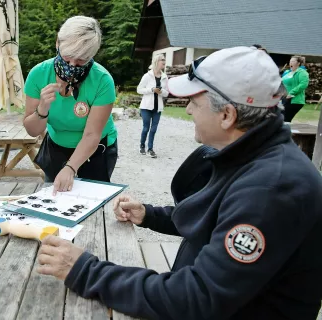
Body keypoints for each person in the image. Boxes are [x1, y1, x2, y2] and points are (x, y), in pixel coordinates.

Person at [35, 47, 322, 319]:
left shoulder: (272, 189)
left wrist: (84, 270)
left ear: (227, 115)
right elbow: (217, 216)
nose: (187, 111)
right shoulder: (252, 156)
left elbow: (196, 298)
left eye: (193, 102)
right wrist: (150, 214)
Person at [23, 16, 118, 194]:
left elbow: (92, 134)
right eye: (67, 58)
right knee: (56, 199)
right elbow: (32, 130)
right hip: (56, 147)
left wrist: (70, 168)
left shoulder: (102, 80)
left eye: (81, 60)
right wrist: (42, 109)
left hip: (95, 150)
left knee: (90, 202)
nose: (73, 65)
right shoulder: (38, 75)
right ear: (57, 43)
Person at [137, 54, 168, 158]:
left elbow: (167, 93)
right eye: (162, 60)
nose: (164, 61)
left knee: (153, 129)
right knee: (146, 128)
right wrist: (151, 90)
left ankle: (150, 149)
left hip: (157, 108)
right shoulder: (147, 76)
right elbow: (139, 89)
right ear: (156, 62)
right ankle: (142, 145)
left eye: (164, 60)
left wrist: (160, 91)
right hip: (146, 107)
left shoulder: (164, 77)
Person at [281, 55, 309, 122]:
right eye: (290, 61)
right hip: (284, 98)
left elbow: (303, 84)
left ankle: (285, 132)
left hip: (294, 100)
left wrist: (291, 93)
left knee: (285, 119)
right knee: (281, 118)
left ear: (298, 63)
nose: (290, 62)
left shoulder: (302, 72)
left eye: (293, 61)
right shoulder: (288, 72)